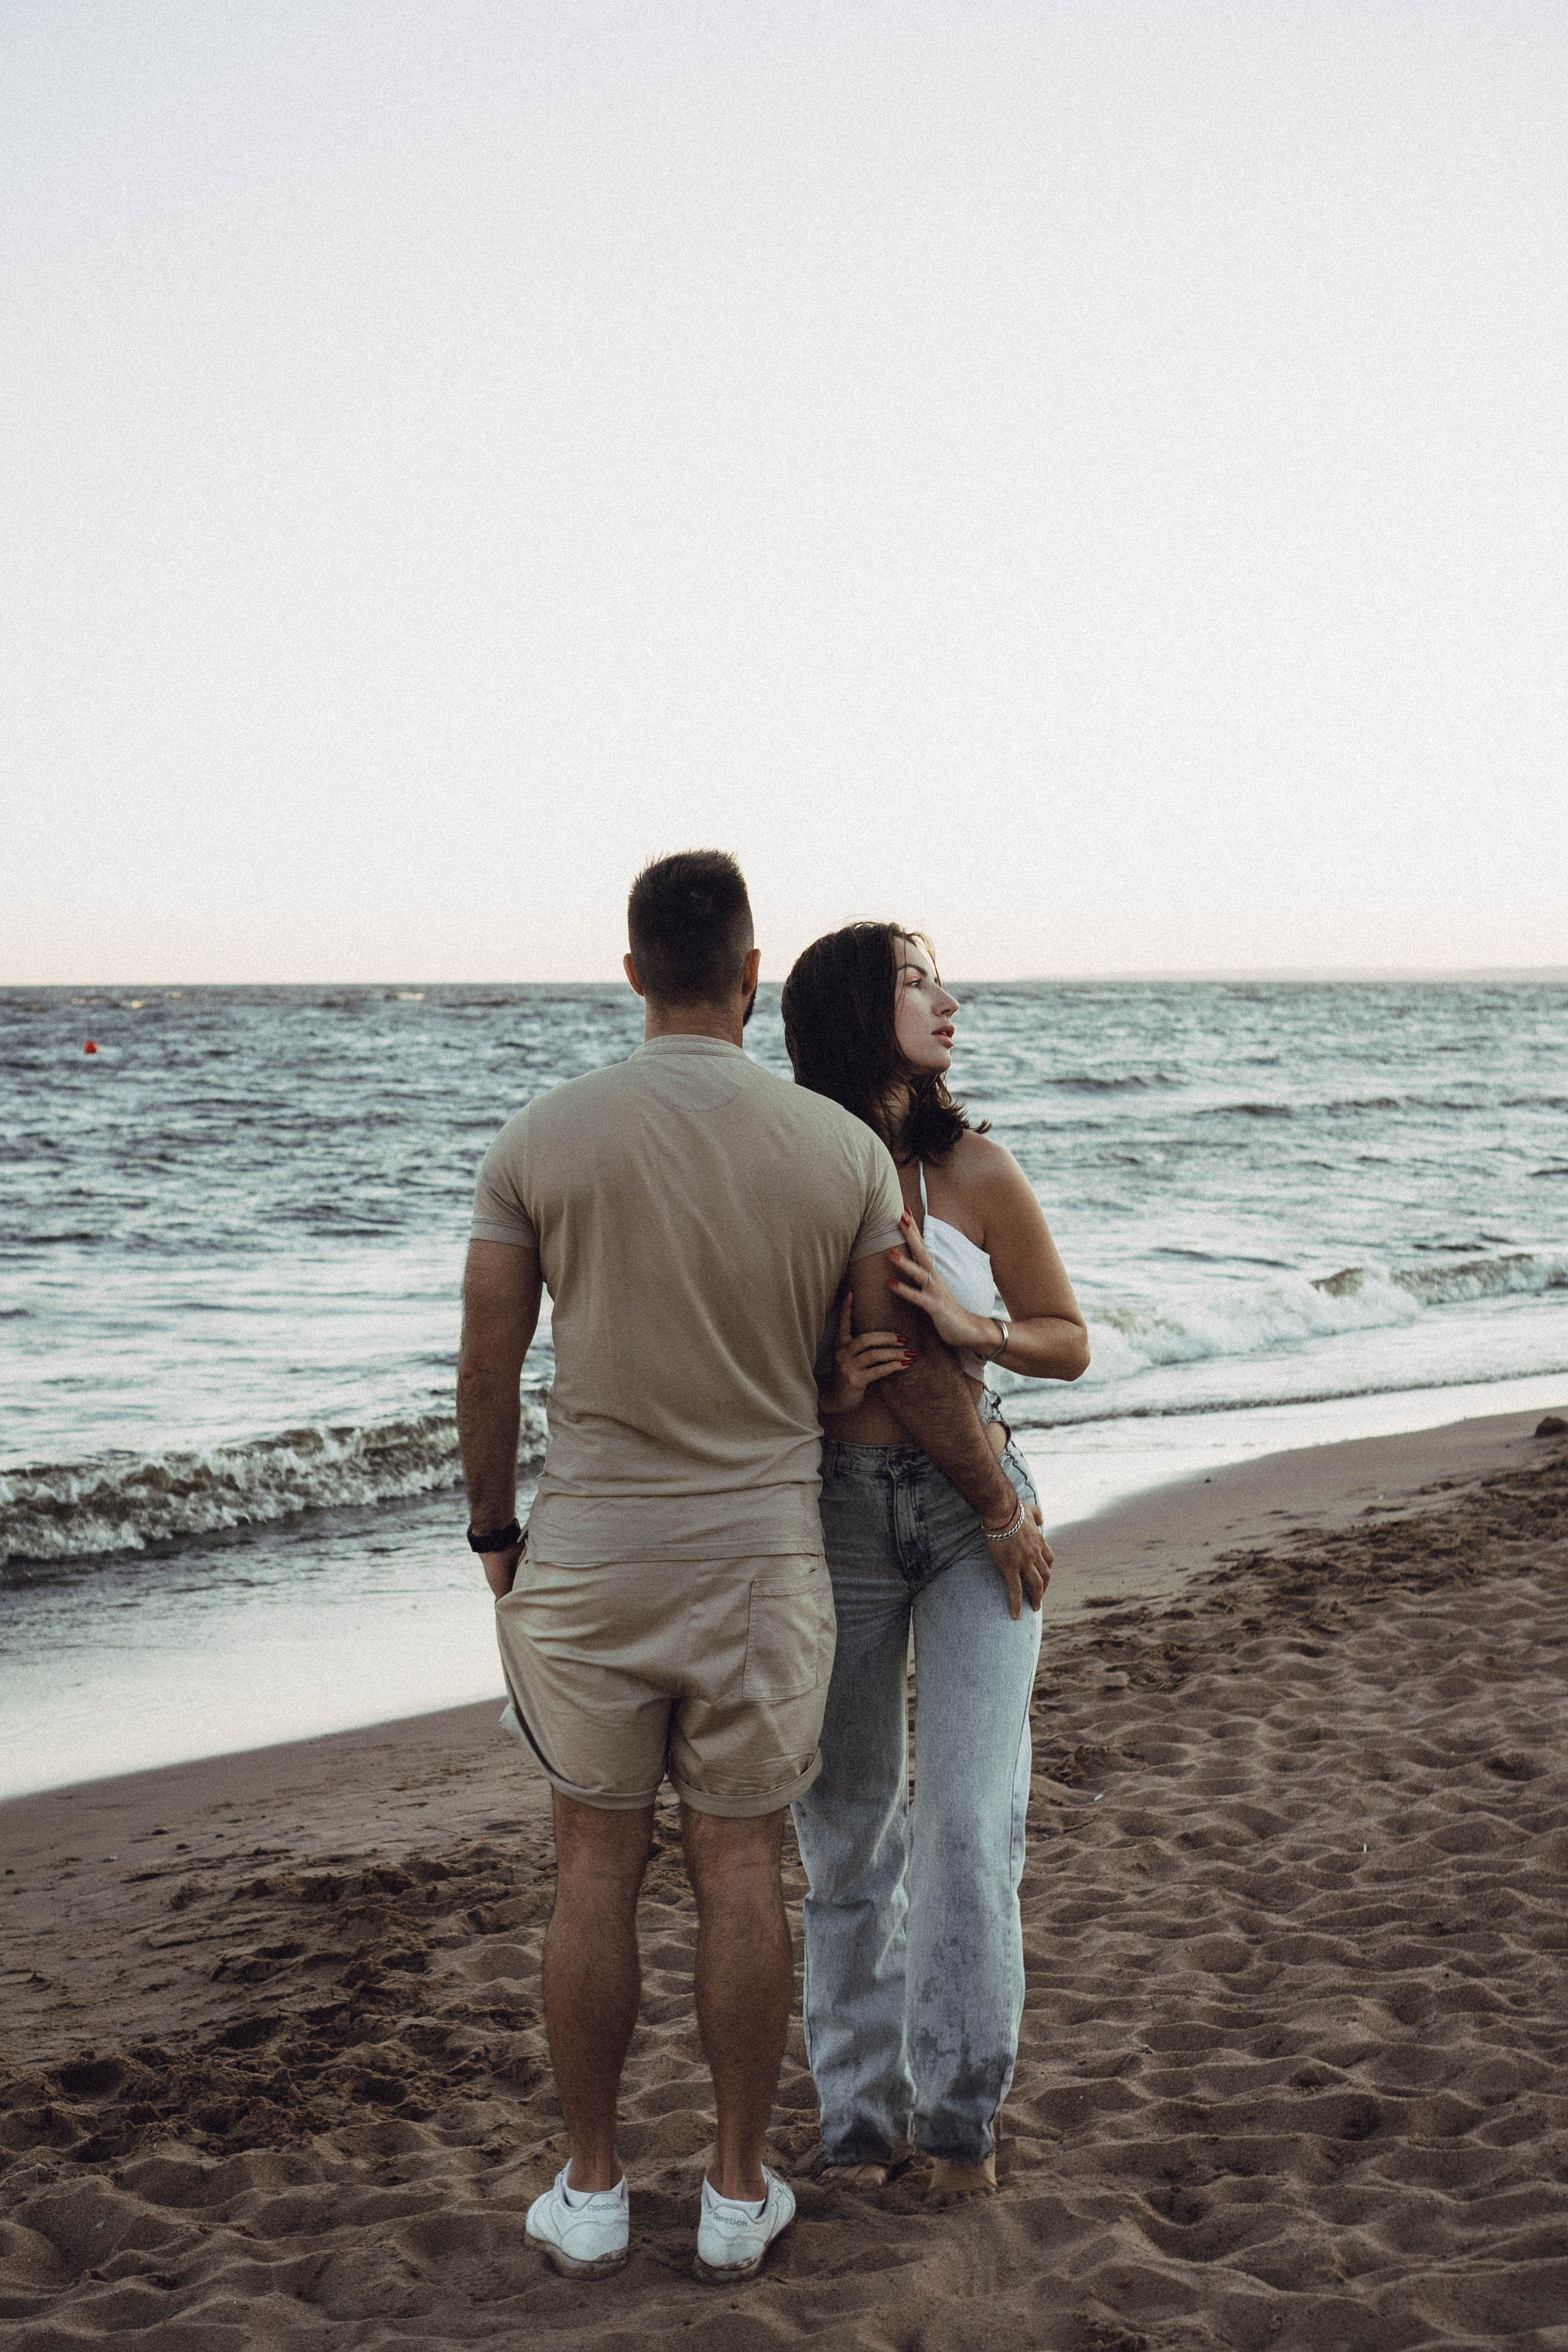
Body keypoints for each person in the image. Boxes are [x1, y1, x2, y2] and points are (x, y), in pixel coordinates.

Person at [456, 855, 1054, 2286]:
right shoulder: (834, 1156)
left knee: (592, 1867)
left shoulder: (538, 1138)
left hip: (596, 1561)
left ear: (626, 972)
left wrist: (495, 1536)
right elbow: (874, 1366)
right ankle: (738, 2193)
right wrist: (983, 1490)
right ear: (746, 976)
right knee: (746, 1861)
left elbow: (485, 1367)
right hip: (768, 1555)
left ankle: (593, 2190)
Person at [782, 922, 1090, 2207]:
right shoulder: (792, 1172)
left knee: (967, 1823)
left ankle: (959, 2128)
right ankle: (859, 2132)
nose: (948, 998)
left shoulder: (976, 1170)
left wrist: (982, 1329)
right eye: (916, 981)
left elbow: (1068, 1339)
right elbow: (727, 1353)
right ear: (857, 1009)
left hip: (980, 1521)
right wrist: (814, 1381)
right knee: (848, 1836)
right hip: (838, 1517)